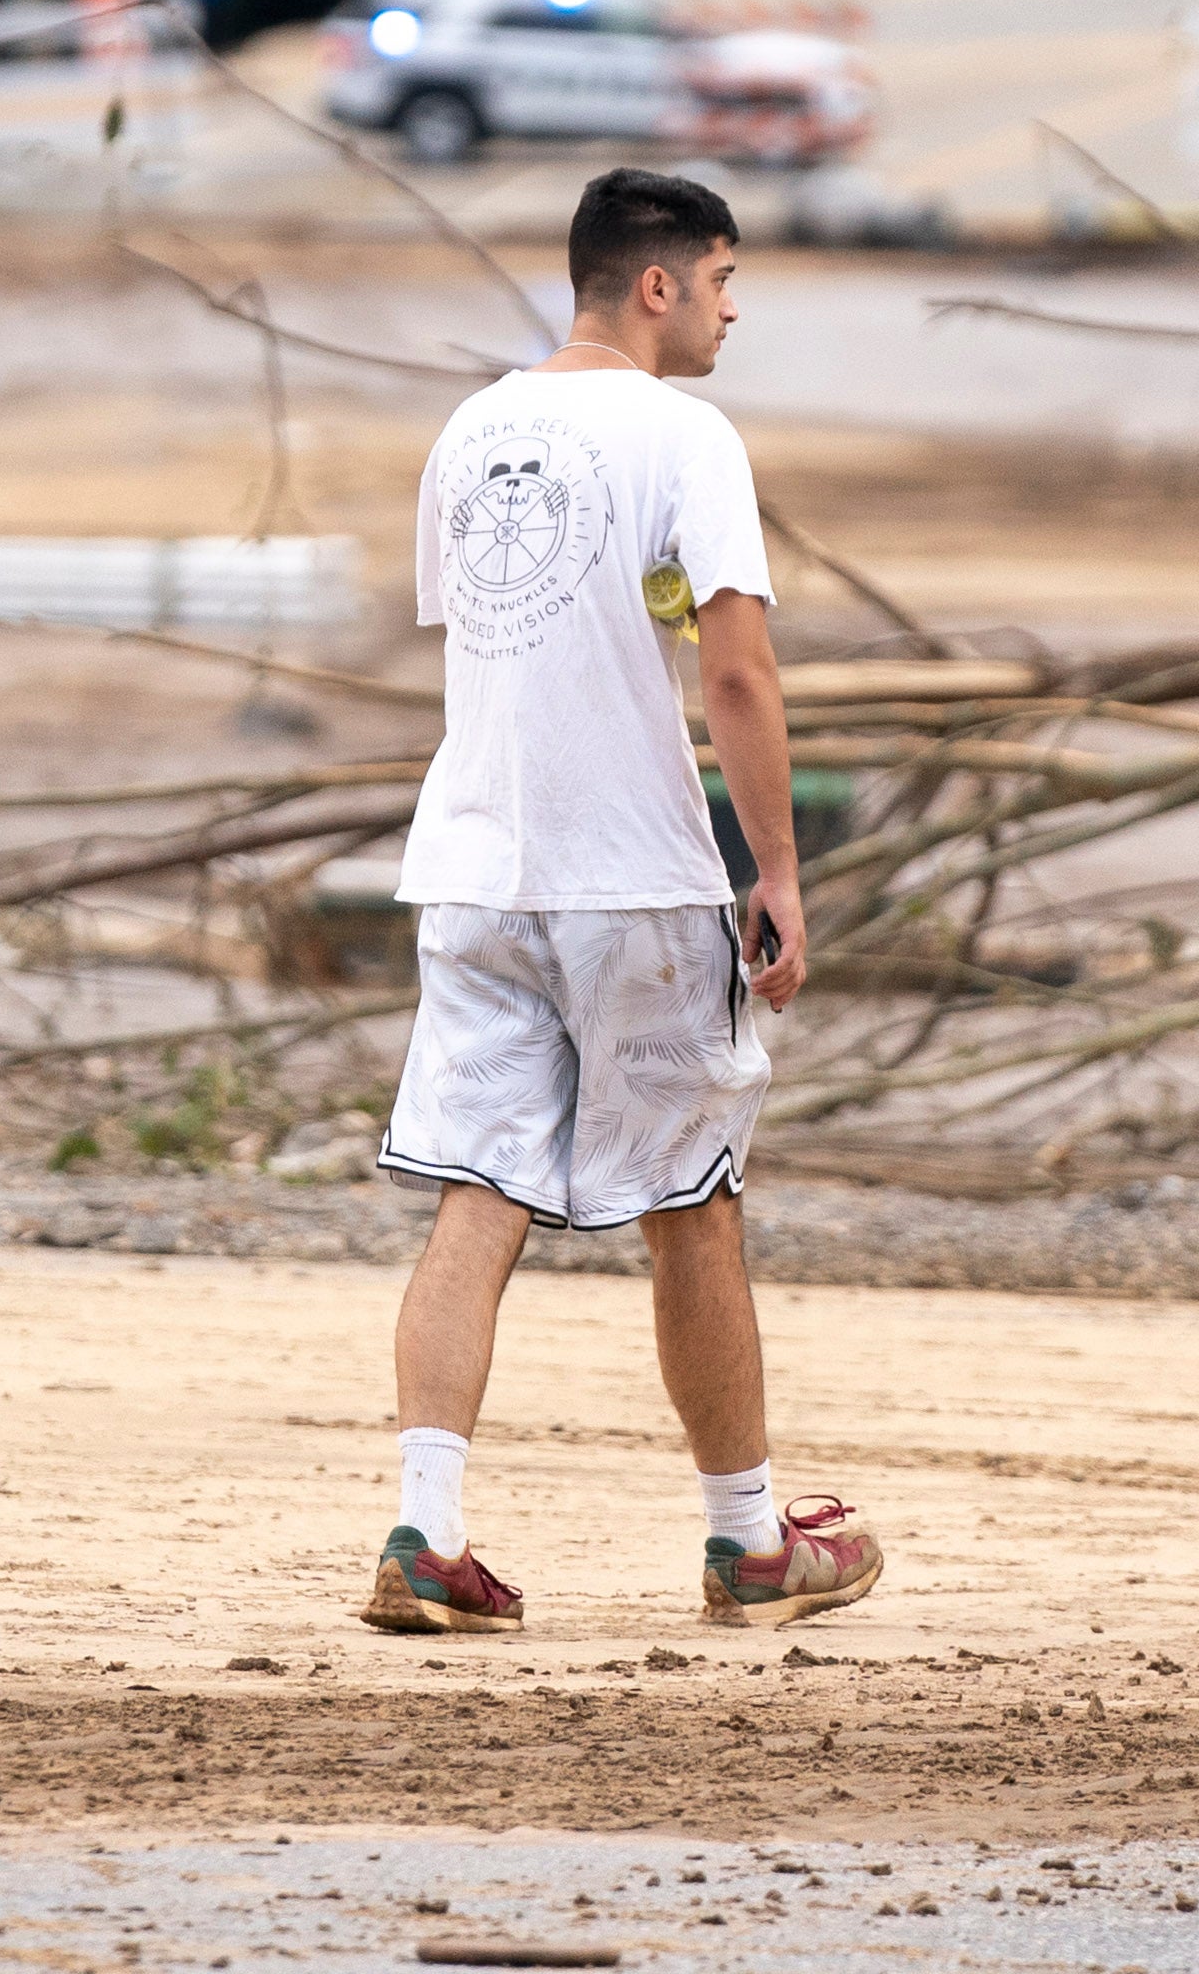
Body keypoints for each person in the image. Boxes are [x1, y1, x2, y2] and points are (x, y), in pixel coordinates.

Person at [359, 165, 883, 1640]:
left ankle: (425, 1528)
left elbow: (491, 639)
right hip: (633, 881)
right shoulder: (684, 435)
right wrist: (773, 867)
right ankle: (749, 1541)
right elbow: (734, 672)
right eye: (722, 281)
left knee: (482, 1190)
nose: (731, 310)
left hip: (473, 867)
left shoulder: (470, 431)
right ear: (657, 284)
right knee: (691, 1200)